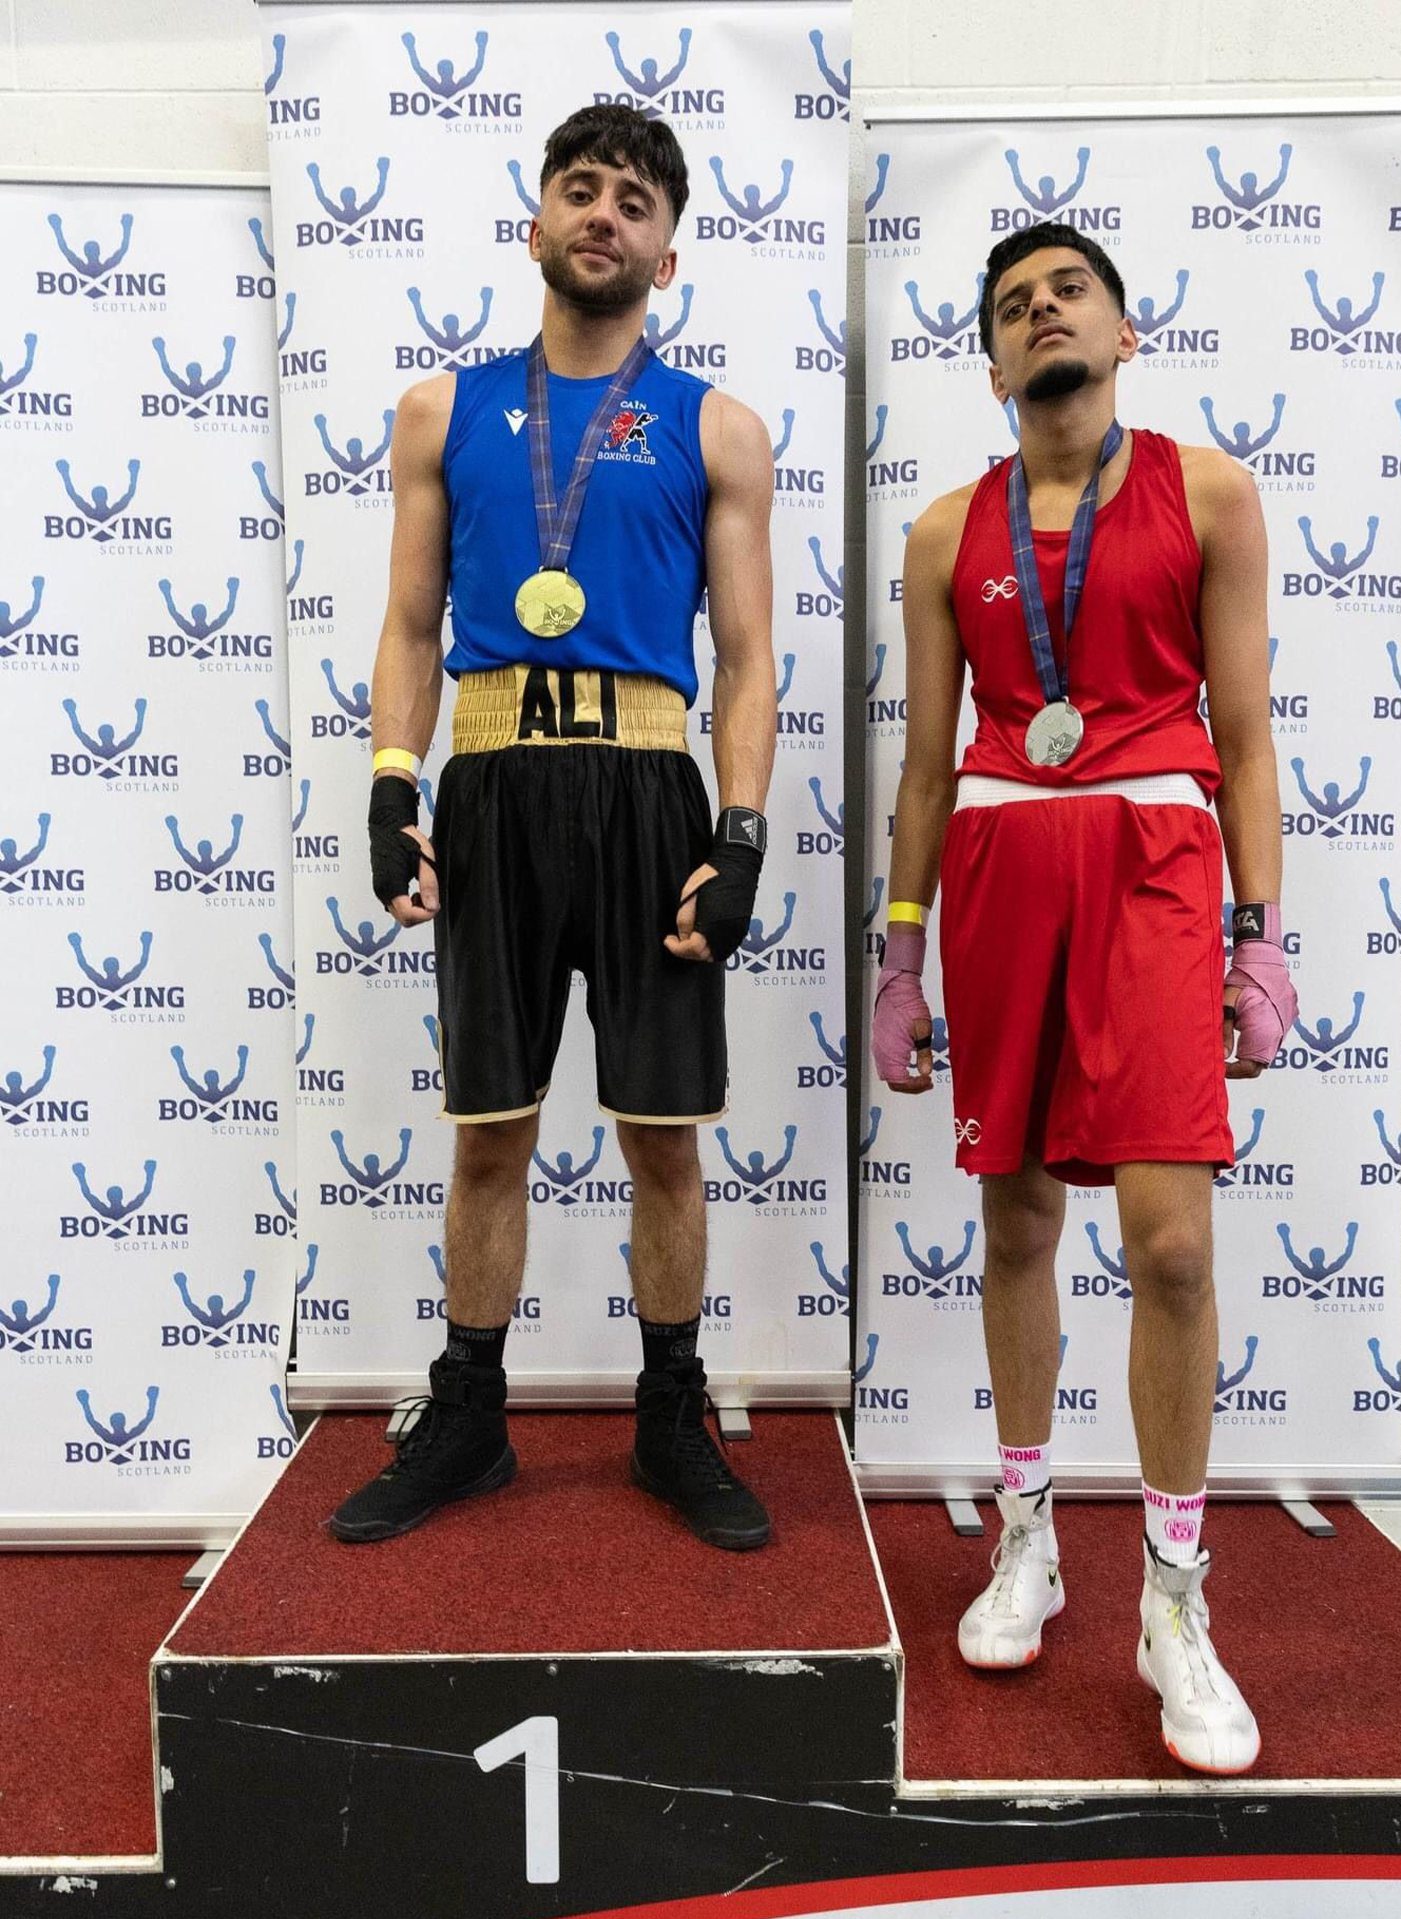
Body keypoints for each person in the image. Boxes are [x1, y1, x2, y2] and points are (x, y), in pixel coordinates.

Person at [872, 224, 1297, 1775]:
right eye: (1009, 306)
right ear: (989, 364)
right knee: (1018, 1226)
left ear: (1122, 332)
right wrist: (899, 952)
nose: (1039, 312)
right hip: (996, 870)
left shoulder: (1211, 492)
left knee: (1171, 1244)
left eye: (1066, 292)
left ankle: (1173, 1598)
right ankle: (1029, 1532)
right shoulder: (940, 533)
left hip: (1157, 866)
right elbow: (923, 762)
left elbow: (1242, 732)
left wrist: (1258, 933)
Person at [330, 105, 776, 1553]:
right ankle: (467, 1418)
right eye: (579, 190)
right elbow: (406, 621)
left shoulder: (716, 423)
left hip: (649, 788)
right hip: (492, 785)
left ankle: (667, 1415)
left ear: (667, 243)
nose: (605, 215)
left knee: (663, 1140)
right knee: (486, 1132)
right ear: (536, 220)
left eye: (635, 199)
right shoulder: (439, 410)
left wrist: (746, 833)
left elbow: (751, 661)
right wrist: (394, 785)